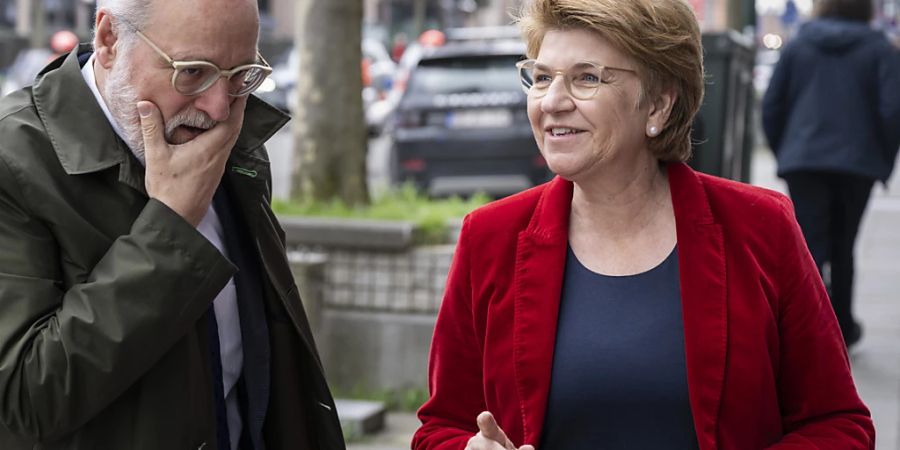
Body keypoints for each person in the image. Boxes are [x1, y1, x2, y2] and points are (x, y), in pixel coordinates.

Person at [413, 0, 875, 448]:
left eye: (586, 78)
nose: (552, 102)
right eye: (541, 78)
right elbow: (439, 428)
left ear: (658, 105)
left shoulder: (760, 227)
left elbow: (838, 424)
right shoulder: (491, 237)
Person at [0, 0, 345, 449]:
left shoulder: (230, 139)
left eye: (242, 74)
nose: (219, 107)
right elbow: (24, 400)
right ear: (108, 40)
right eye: (193, 71)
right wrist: (171, 227)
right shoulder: (15, 161)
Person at [762, 0, 900, 348]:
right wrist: (882, 158)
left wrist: (787, 151)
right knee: (843, 245)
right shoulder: (879, 49)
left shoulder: (798, 45)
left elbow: (773, 103)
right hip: (858, 163)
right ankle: (841, 327)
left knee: (808, 246)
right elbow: (892, 109)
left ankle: (802, 328)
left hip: (804, 160)